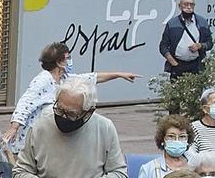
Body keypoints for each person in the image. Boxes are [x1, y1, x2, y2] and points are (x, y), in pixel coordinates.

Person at [7, 44, 135, 150]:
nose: (70, 61)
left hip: (48, 139)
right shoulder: (43, 80)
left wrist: (119, 74)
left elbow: (93, 77)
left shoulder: (65, 79)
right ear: (59, 62)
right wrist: (14, 127)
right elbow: (26, 103)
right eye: (68, 58)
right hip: (31, 142)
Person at [129, 116, 193, 178]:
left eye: (182, 137)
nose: (177, 141)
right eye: (171, 136)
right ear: (163, 140)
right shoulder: (149, 169)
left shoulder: (195, 166)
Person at [159, 0, 213, 78]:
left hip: (196, 66)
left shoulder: (202, 22)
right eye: (186, 4)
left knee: (197, 90)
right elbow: (163, 46)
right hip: (177, 65)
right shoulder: (172, 23)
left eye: (191, 4)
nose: (189, 7)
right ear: (180, 6)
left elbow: (210, 43)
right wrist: (173, 63)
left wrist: (200, 45)